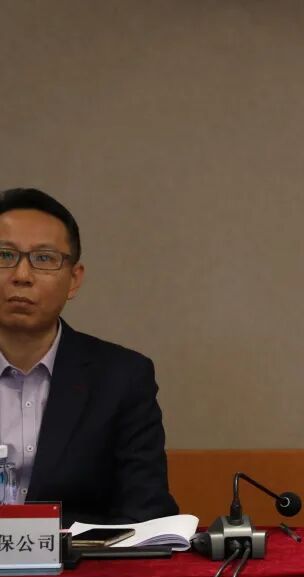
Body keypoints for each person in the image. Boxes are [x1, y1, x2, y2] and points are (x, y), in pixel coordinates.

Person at [0, 187, 178, 526]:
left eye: (44, 259)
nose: (21, 276)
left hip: (78, 560)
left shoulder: (122, 378)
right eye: (5, 255)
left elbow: (146, 514)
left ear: (74, 280)